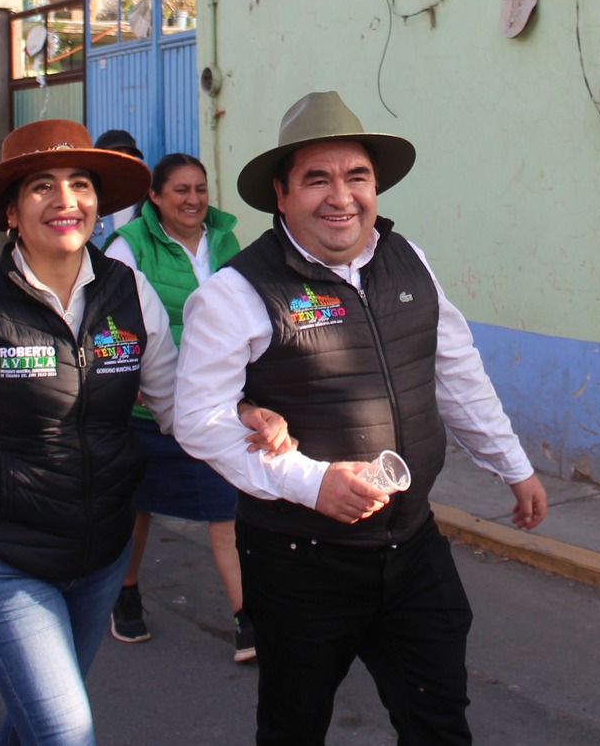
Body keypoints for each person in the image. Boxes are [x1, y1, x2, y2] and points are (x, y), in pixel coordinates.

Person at [0, 120, 292, 746]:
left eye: (80, 184)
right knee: (65, 730)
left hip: (100, 554)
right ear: (12, 213)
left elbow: (177, 403)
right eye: (41, 187)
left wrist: (244, 415)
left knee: (37, 723)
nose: (65, 200)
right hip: (0, 555)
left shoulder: (127, 292)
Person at [176, 91, 549, 746]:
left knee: (439, 722)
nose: (340, 196)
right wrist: (308, 480)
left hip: (413, 548)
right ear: (281, 193)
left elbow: (455, 371)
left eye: (356, 177)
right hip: (299, 563)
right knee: (293, 727)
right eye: (317, 178)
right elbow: (197, 417)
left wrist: (512, 465)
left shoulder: (410, 262)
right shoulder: (235, 291)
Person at [100, 154, 251, 659]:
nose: (193, 200)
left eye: (200, 189)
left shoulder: (225, 240)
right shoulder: (128, 246)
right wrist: (131, 378)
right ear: (155, 198)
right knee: (137, 506)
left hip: (218, 400)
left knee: (225, 508)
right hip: (146, 406)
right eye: (180, 191)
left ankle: (247, 619)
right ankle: (125, 595)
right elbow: (109, 320)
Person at [90, 130, 143, 244]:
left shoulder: (144, 201)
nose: (124, 161)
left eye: (129, 156)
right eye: (116, 154)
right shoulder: (86, 200)